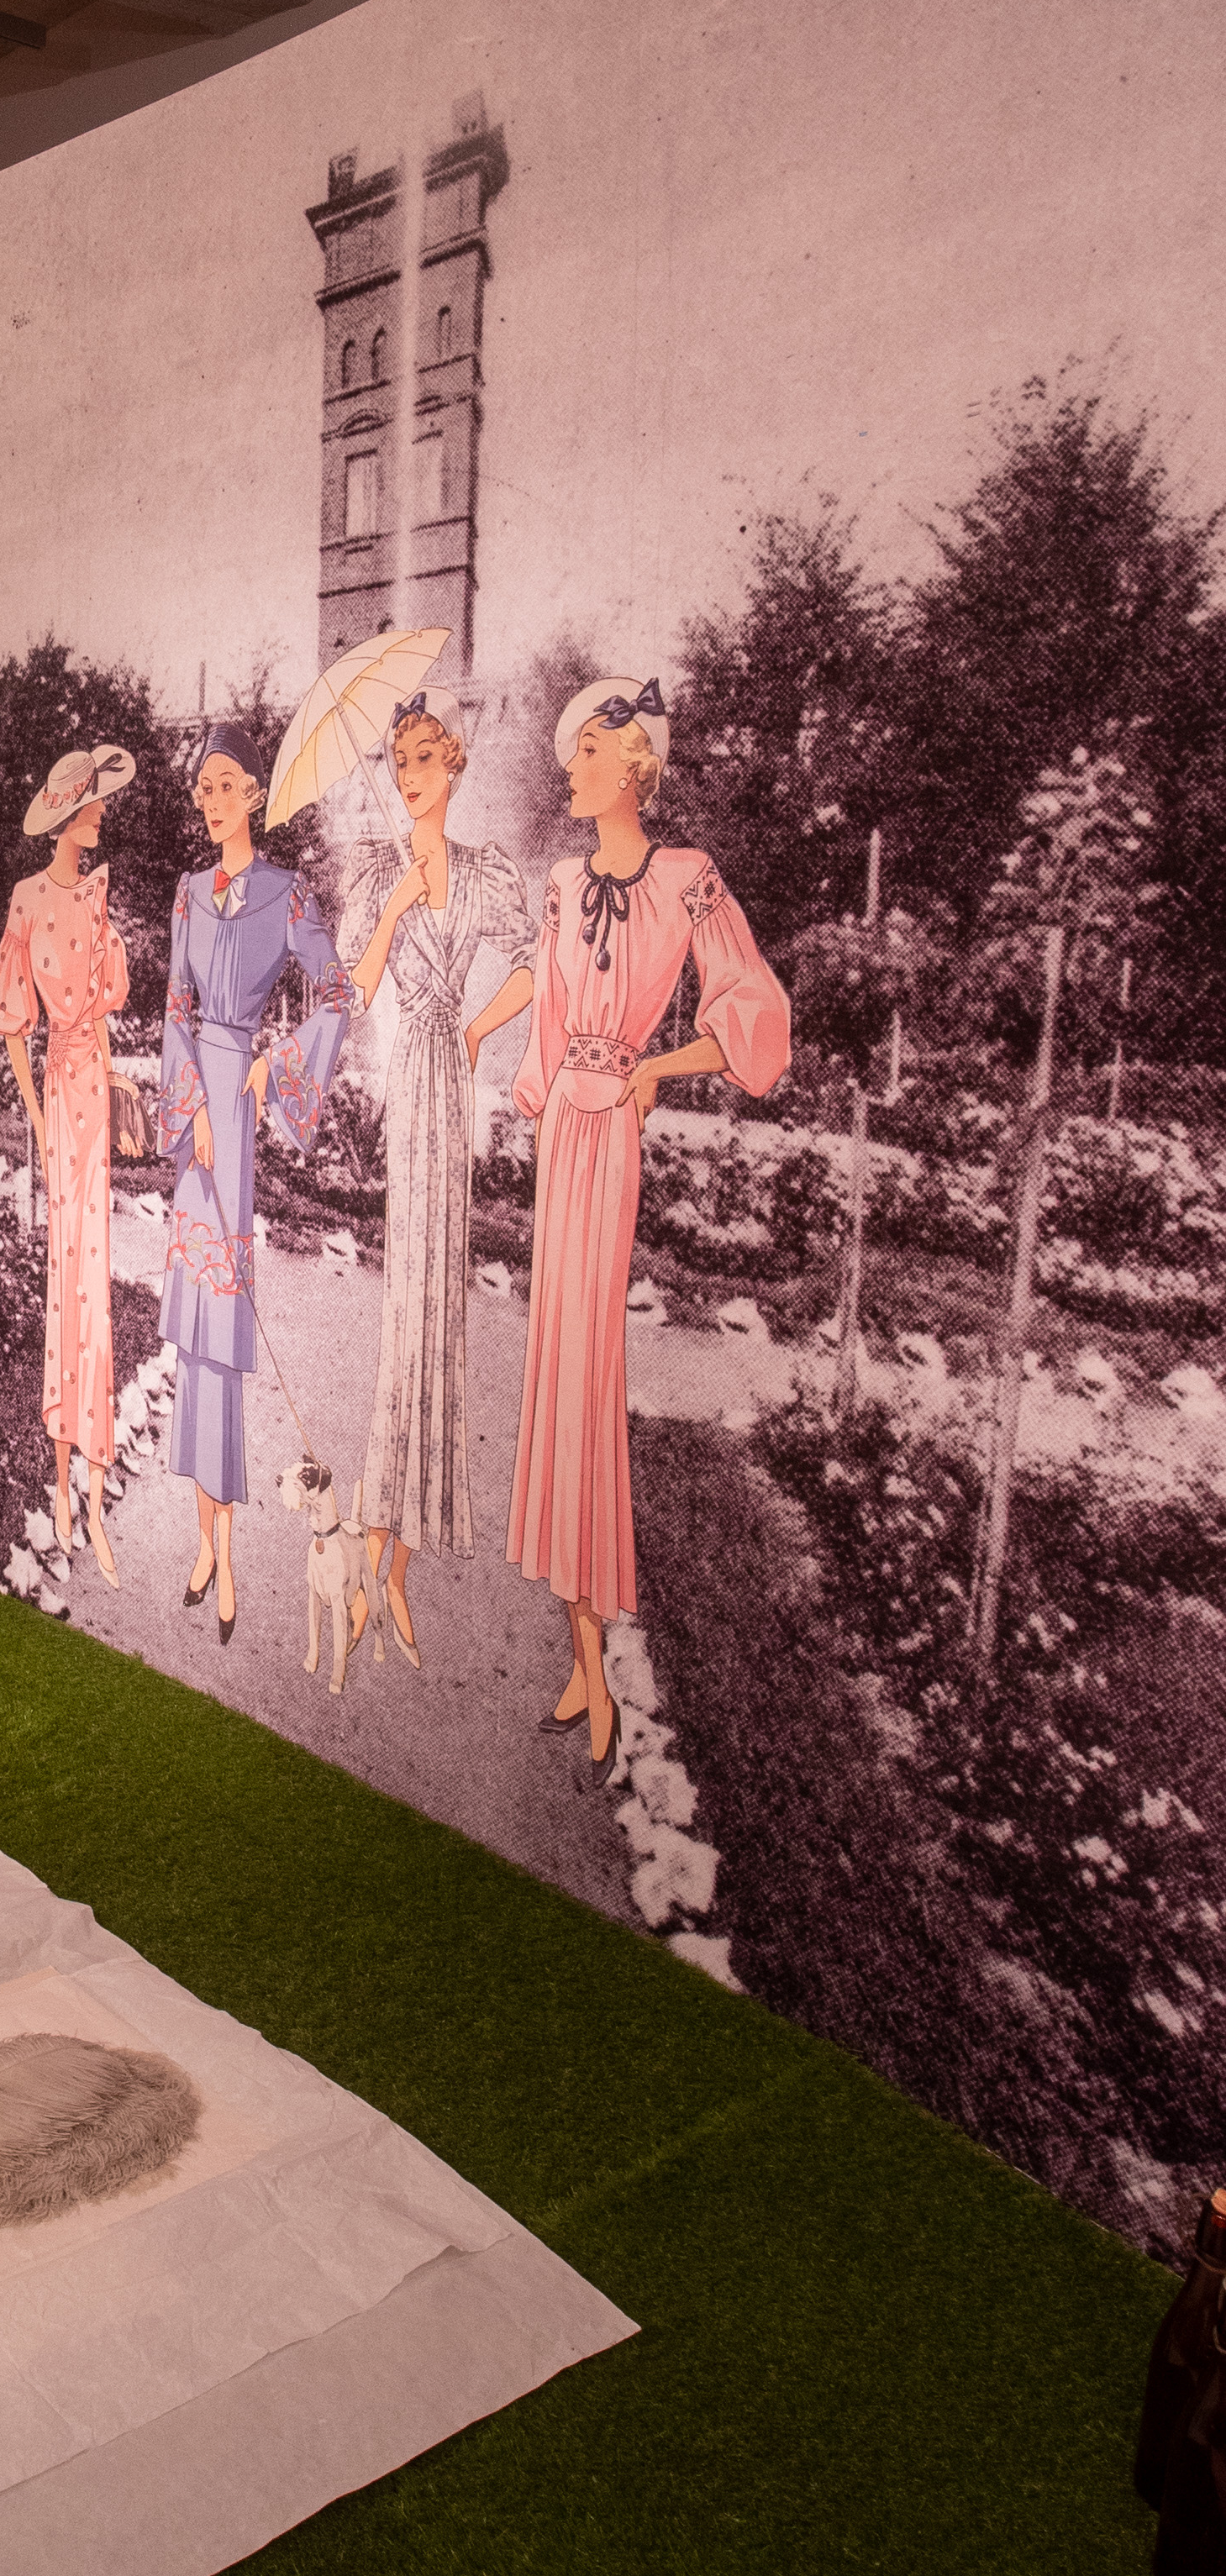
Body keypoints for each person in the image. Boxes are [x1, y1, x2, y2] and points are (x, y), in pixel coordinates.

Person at [479, 676, 792, 1776]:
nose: (569, 765)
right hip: (559, 1134)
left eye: (587, 750)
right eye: (569, 748)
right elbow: (547, 1014)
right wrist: (526, 1082)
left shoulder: (687, 878)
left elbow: (751, 1009)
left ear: (634, 767)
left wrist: (654, 1069)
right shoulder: (561, 883)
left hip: (610, 1131)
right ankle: (580, 1658)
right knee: (552, 1374)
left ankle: (595, 1664)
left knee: (587, 1374)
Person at [335, 691, 534, 1667]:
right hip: (407, 1087)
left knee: (438, 1318)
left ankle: (397, 1568)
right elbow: (354, 984)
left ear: (452, 764)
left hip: (450, 1078)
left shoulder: (481, 869)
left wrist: (477, 1031)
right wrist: (395, 906)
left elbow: (533, 963)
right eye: (397, 758)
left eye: (423, 756)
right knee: (402, 1314)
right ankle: (371, 1553)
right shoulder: (379, 870)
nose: (408, 773)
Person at [155, 724, 352, 1643]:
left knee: (224, 1337)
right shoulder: (187, 894)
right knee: (193, 1337)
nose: (210, 798)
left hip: (237, 1107)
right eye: (201, 786)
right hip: (196, 1108)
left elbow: (336, 992)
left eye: (225, 783)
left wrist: (276, 1057)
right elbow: (173, 1007)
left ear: (255, 794)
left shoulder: (285, 892)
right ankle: (202, 1545)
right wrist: (188, 1101)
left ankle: (227, 1558)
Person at [0, 744, 134, 1585]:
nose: (102, 813)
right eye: (93, 804)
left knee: (95, 1288)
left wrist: (112, 1085)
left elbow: (103, 1014)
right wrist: (40, 1119)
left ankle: (93, 1492)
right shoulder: (27, 899)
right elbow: (13, 1021)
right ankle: (60, 1492)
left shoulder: (95, 894)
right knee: (63, 1282)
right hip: (56, 1094)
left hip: (92, 1091)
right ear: (69, 814)